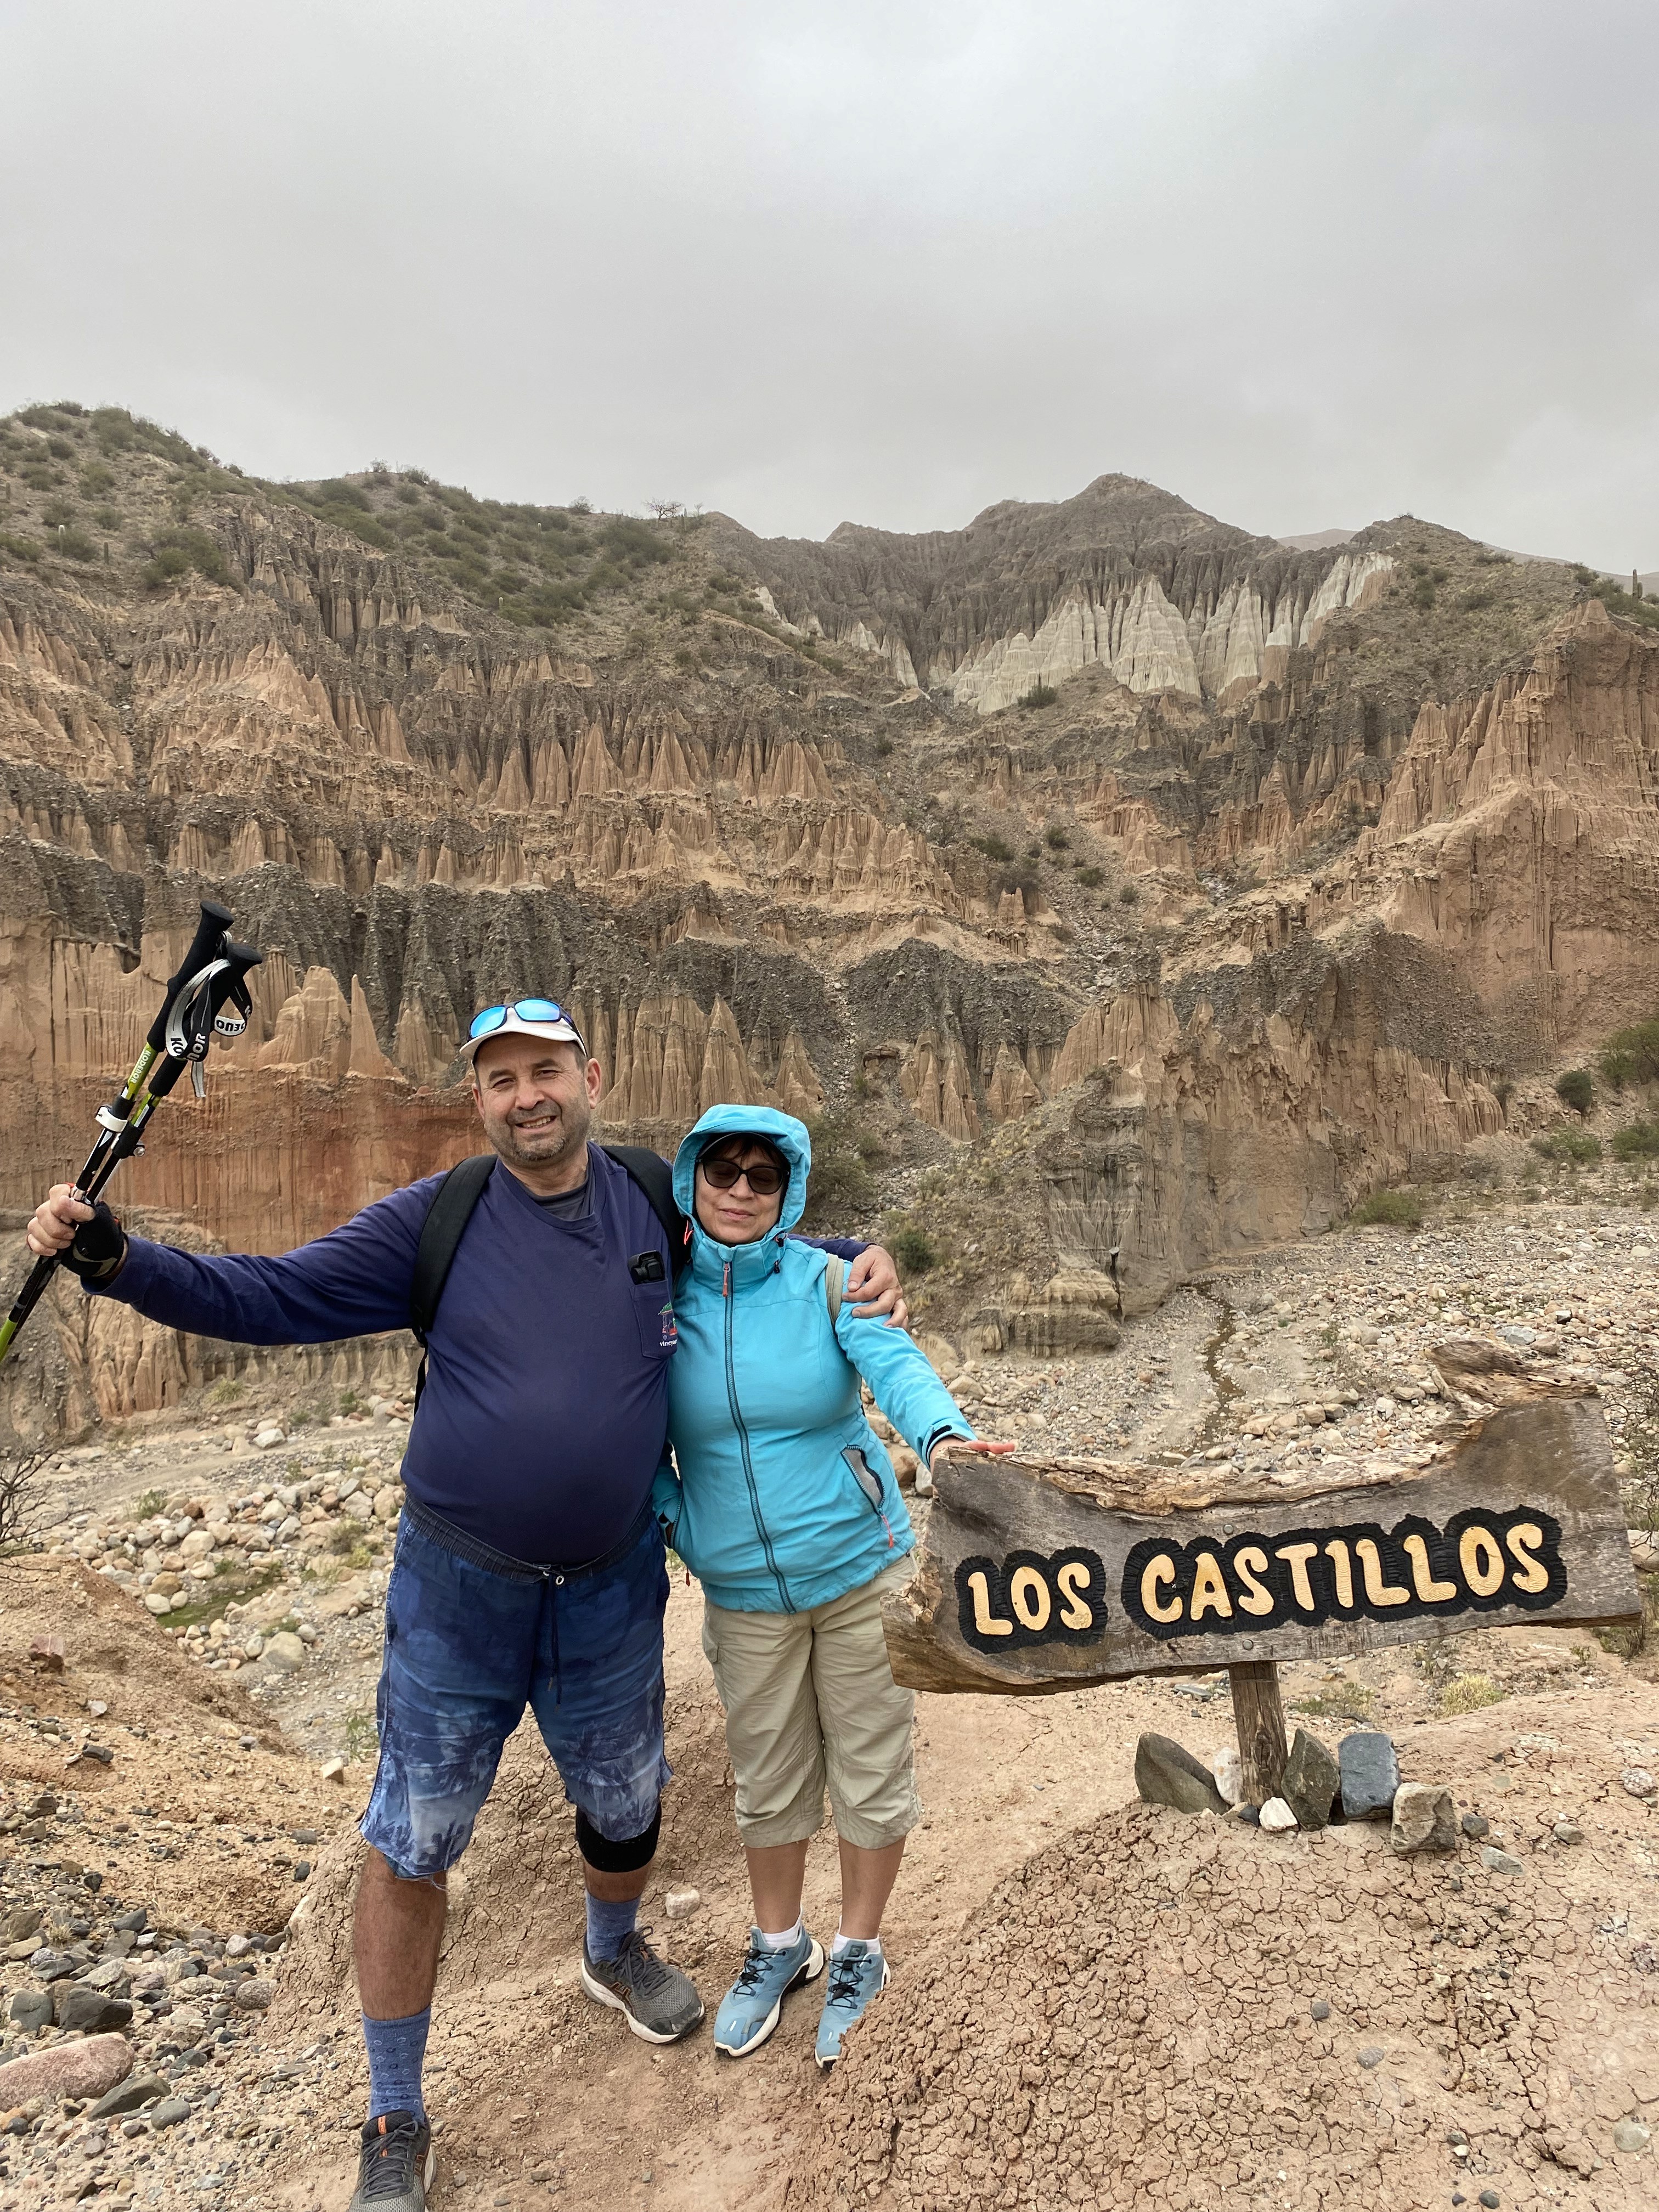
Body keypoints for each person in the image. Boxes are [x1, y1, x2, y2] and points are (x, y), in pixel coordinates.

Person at [25, 1000, 907, 2212]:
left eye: (546, 1071)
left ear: (589, 1077)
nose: (527, 1096)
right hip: (458, 1589)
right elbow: (271, 1298)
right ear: (478, 1100)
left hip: (608, 1581)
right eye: (501, 1081)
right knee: (414, 1833)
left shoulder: (654, 1197)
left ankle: (612, 1950)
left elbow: (757, 1236)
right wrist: (119, 1262)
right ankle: (395, 2111)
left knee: (625, 1796)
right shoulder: (432, 1224)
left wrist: (863, 1251)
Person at [653, 1105, 1008, 2070]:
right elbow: (623, 1422)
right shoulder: (655, 1298)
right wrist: (676, 1519)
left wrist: (943, 1438)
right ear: (692, 1180)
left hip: (858, 1570)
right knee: (766, 1777)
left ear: (787, 1195)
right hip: (741, 1593)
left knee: (870, 1762)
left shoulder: (827, 1282)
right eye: (721, 1170)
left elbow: (895, 1364)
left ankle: (858, 1950)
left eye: (761, 1176)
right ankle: (780, 1948)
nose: (738, 1188)